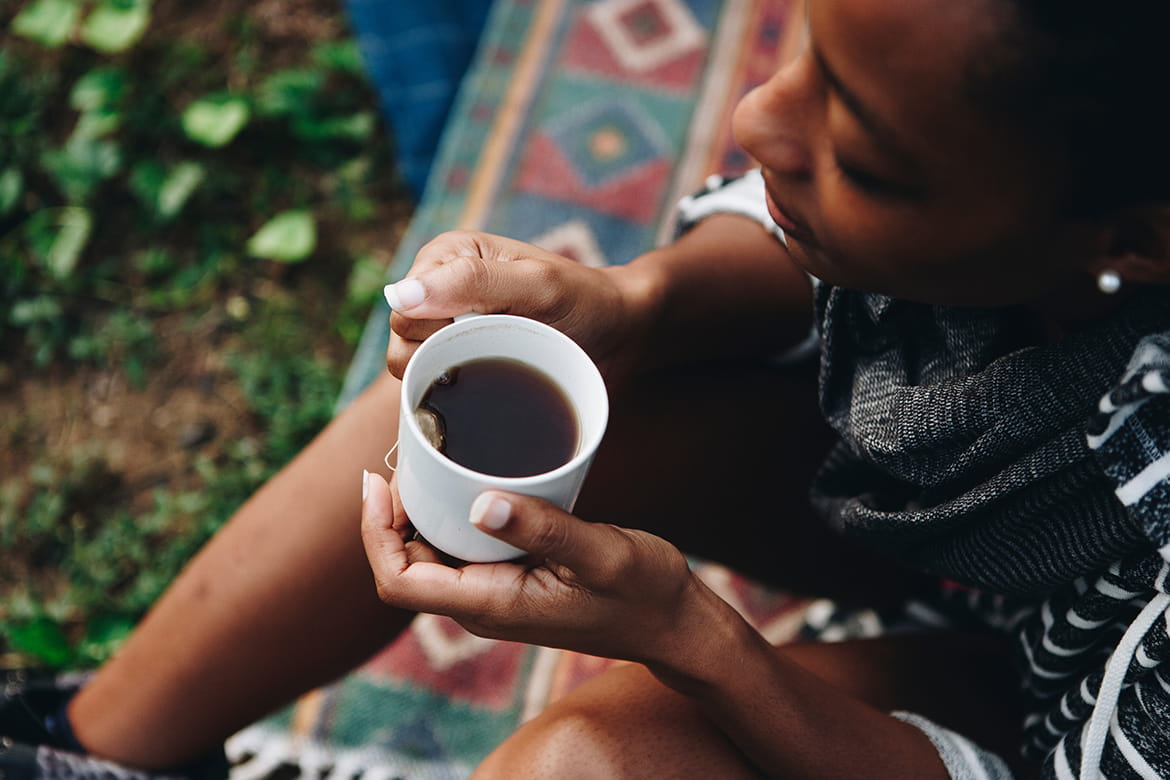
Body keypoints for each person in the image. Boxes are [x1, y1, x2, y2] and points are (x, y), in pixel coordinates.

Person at [7, 0, 1170, 776]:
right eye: (805, 49)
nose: (758, 120)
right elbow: (794, 254)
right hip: (953, 529)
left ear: (1137, 235)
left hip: (1064, 712)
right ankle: (85, 750)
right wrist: (633, 305)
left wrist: (687, 635)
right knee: (522, 382)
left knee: (587, 764)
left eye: (864, 159)